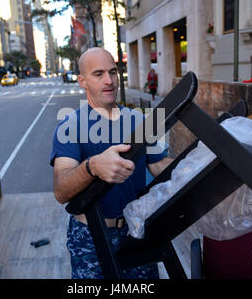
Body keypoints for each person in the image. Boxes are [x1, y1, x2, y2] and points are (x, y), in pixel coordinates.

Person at [50, 48, 172, 279]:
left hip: (136, 230)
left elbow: (160, 167)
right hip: (90, 236)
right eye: (98, 74)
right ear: (83, 82)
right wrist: (92, 166)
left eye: (113, 72)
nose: (109, 81)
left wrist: (202, 158)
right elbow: (61, 190)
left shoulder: (140, 121)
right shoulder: (70, 126)